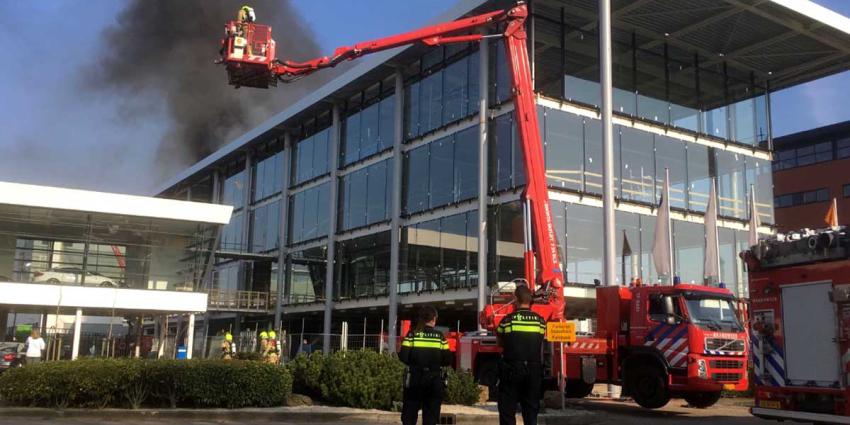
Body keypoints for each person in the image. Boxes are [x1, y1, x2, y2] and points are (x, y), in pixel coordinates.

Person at [496, 285, 546, 425]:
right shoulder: (540, 321)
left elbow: (500, 342)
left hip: (511, 369)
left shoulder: (507, 321)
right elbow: (540, 339)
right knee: (531, 411)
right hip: (533, 371)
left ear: (515, 299)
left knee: (507, 410)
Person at [399, 306, 452, 425]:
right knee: (431, 418)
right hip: (434, 381)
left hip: (414, 380)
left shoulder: (412, 335)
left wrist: (415, 363)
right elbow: (448, 360)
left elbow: (403, 357)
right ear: (433, 319)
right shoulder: (439, 336)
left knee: (409, 417)